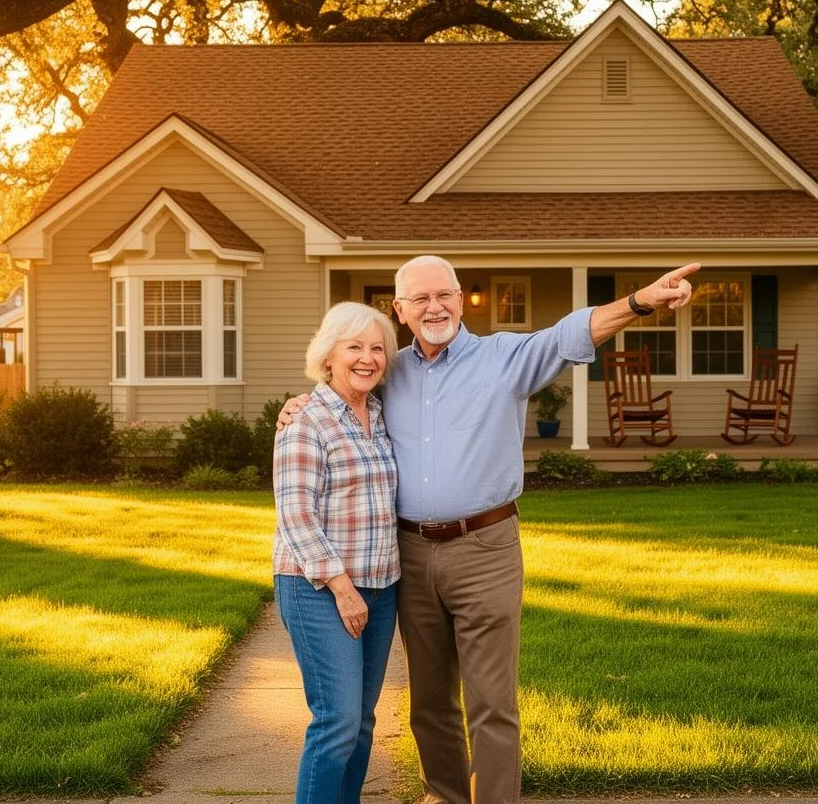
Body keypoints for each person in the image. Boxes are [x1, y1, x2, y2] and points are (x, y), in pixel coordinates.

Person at [280, 257, 699, 804]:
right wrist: (301, 402)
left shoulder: (503, 358)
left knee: (491, 703)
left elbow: (571, 333)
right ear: (400, 310)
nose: (435, 307)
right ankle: (444, 797)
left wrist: (640, 302)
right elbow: (340, 392)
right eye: (420, 299)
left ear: (460, 299)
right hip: (409, 554)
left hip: (485, 549)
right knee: (429, 701)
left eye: (444, 295)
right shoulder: (390, 371)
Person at [273, 300, 400, 804]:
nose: (367, 358)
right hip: (319, 588)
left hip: (381, 586)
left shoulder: (382, 415)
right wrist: (343, 589)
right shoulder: (307, 420)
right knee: (338, 720)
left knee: (362, 721)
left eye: (377, 348)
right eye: (354, 347)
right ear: (328, 356)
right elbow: (295, 514)